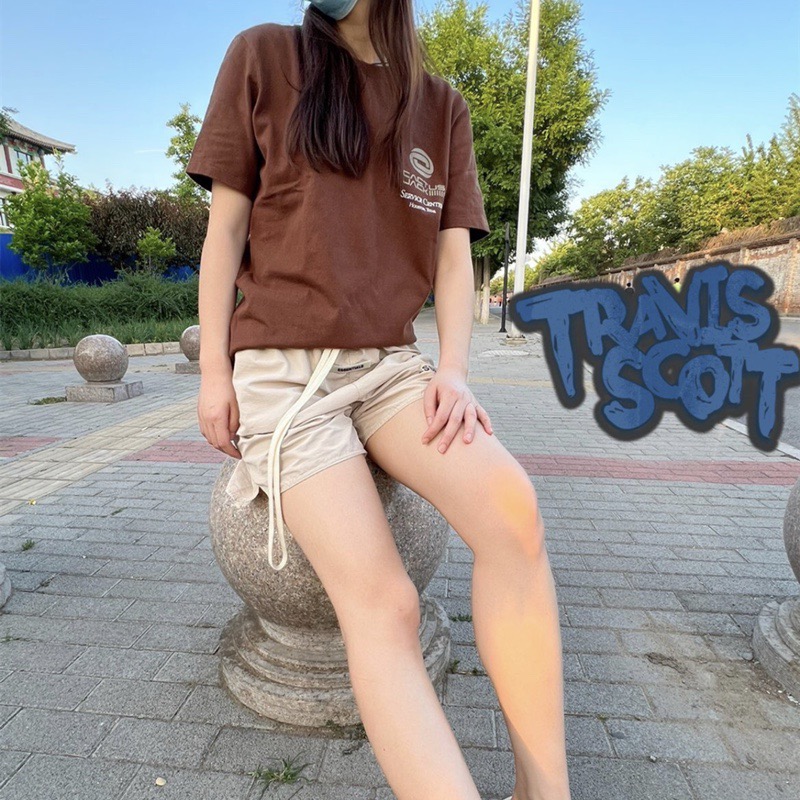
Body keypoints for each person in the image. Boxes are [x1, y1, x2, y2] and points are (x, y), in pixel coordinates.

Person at [187, 2, 571, 799]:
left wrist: (454, 370)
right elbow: (225, 231)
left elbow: (453, 257)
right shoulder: (264, 55)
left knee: (516, 515)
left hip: (393, 368)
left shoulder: (441, 105)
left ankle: (544, 790)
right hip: (283, 374)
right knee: (387, 604)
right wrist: (214, 374)